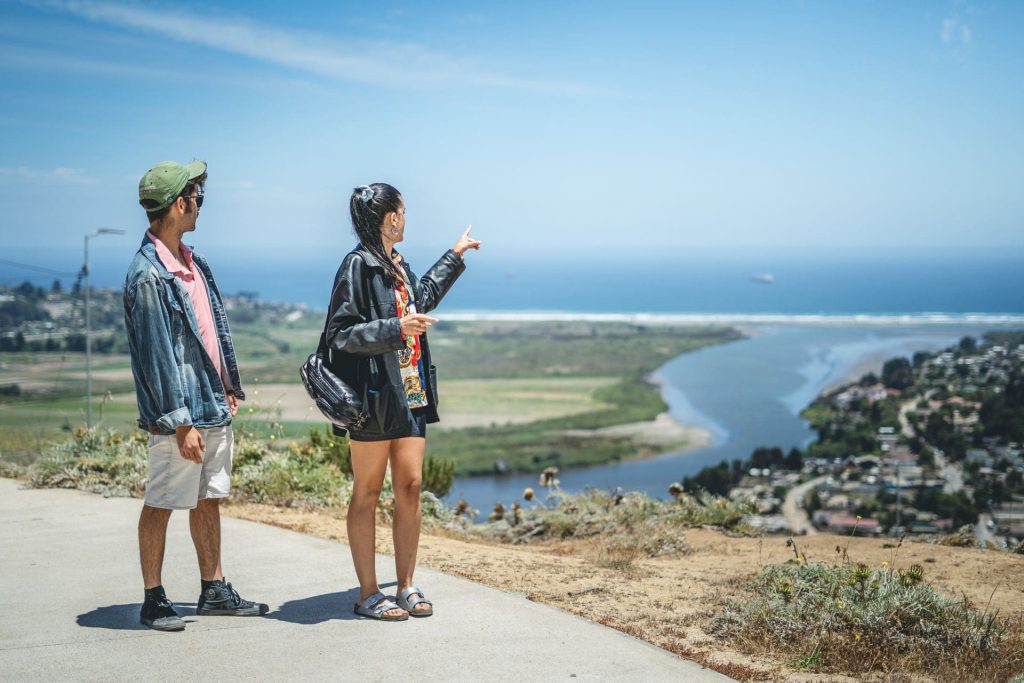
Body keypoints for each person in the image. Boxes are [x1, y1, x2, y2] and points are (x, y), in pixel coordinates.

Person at [325, 182, 480, 620]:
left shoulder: (395, 264)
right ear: (391, 218)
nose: (407, 218)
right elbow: (341, 334)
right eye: (404, 211)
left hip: (410, 392)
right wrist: (395, 328)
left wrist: (455, 255)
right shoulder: (356, 266)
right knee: (368, 492)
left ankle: (407, 585)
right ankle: (369, 593)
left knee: (410, 488)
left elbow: (419, 300)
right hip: (373, 399)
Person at [124, 159, 265, 631]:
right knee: (162, 500)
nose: (201, 205)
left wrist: (227, 387)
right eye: (197, 198)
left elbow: (209, 332)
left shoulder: (191, 260)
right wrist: (180, 422)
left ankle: (214, 589)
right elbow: (158, 358)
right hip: (178, 416)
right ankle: (153, 598)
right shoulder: (148, 277)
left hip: (211, 404)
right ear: (178, 204)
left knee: (208, 498)